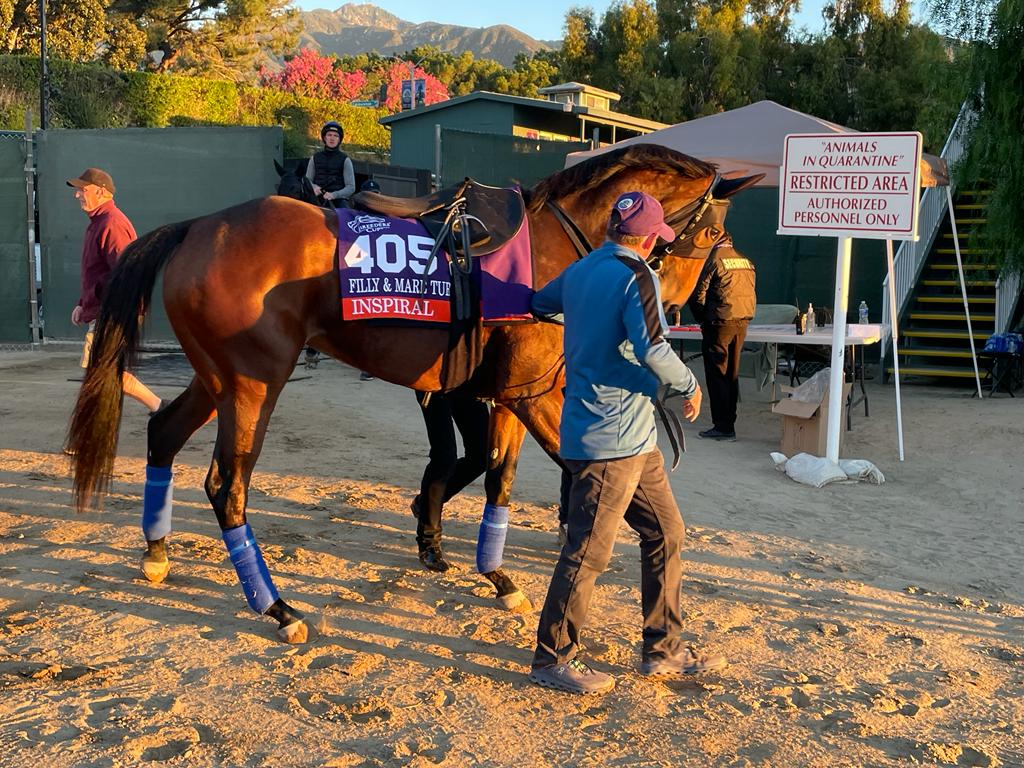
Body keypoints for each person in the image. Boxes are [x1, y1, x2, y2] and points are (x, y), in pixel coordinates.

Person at [527, 190, 727, 695]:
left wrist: (590, 340)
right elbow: (653, 346)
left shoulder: (582, 270)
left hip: (623, 435)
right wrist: (688, 385)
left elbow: (539, 305)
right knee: (587, 552)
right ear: (648, 238)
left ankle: (663, 650)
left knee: (667, 532)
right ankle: (553, 658)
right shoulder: (638, 276)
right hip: (611, 440)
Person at [67, 168, 161, 413]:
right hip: (105, 309)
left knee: (98, 372)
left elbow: (126, 274)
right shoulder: (99, 222)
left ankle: (158, 407)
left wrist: (99, 306)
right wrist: (82, 303)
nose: (77, 195)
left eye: (82, 189)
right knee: (105, 372)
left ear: (101, 192)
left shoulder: (112, 223)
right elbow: (97, 272)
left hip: (114, 312)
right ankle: (159, 407)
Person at [411, 388, 490, 571]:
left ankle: (425, 505)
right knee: (444, 458)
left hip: (467, 380)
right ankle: (428, 541)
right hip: (433, 380)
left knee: (482, 455)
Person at [688, 232, 756, 442]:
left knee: (717, 374)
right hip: (742, 321)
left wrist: (702, 319)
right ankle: (729, 422)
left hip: (718, 323)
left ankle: (722, 427)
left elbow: (697, 294)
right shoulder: (746, 261)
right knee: (731, 374)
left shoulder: (713, 261)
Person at [305, 121, 355, 206]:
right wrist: (314, 187)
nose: (332, 138)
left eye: (335, 136)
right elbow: (307, 180)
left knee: (345, 216)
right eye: (329, 135)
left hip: (338, 200)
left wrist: (334, 195)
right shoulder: (314, 158)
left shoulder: (345, 160)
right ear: (324, 138)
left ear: (339, 139)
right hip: (316, 197)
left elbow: (351, 187)